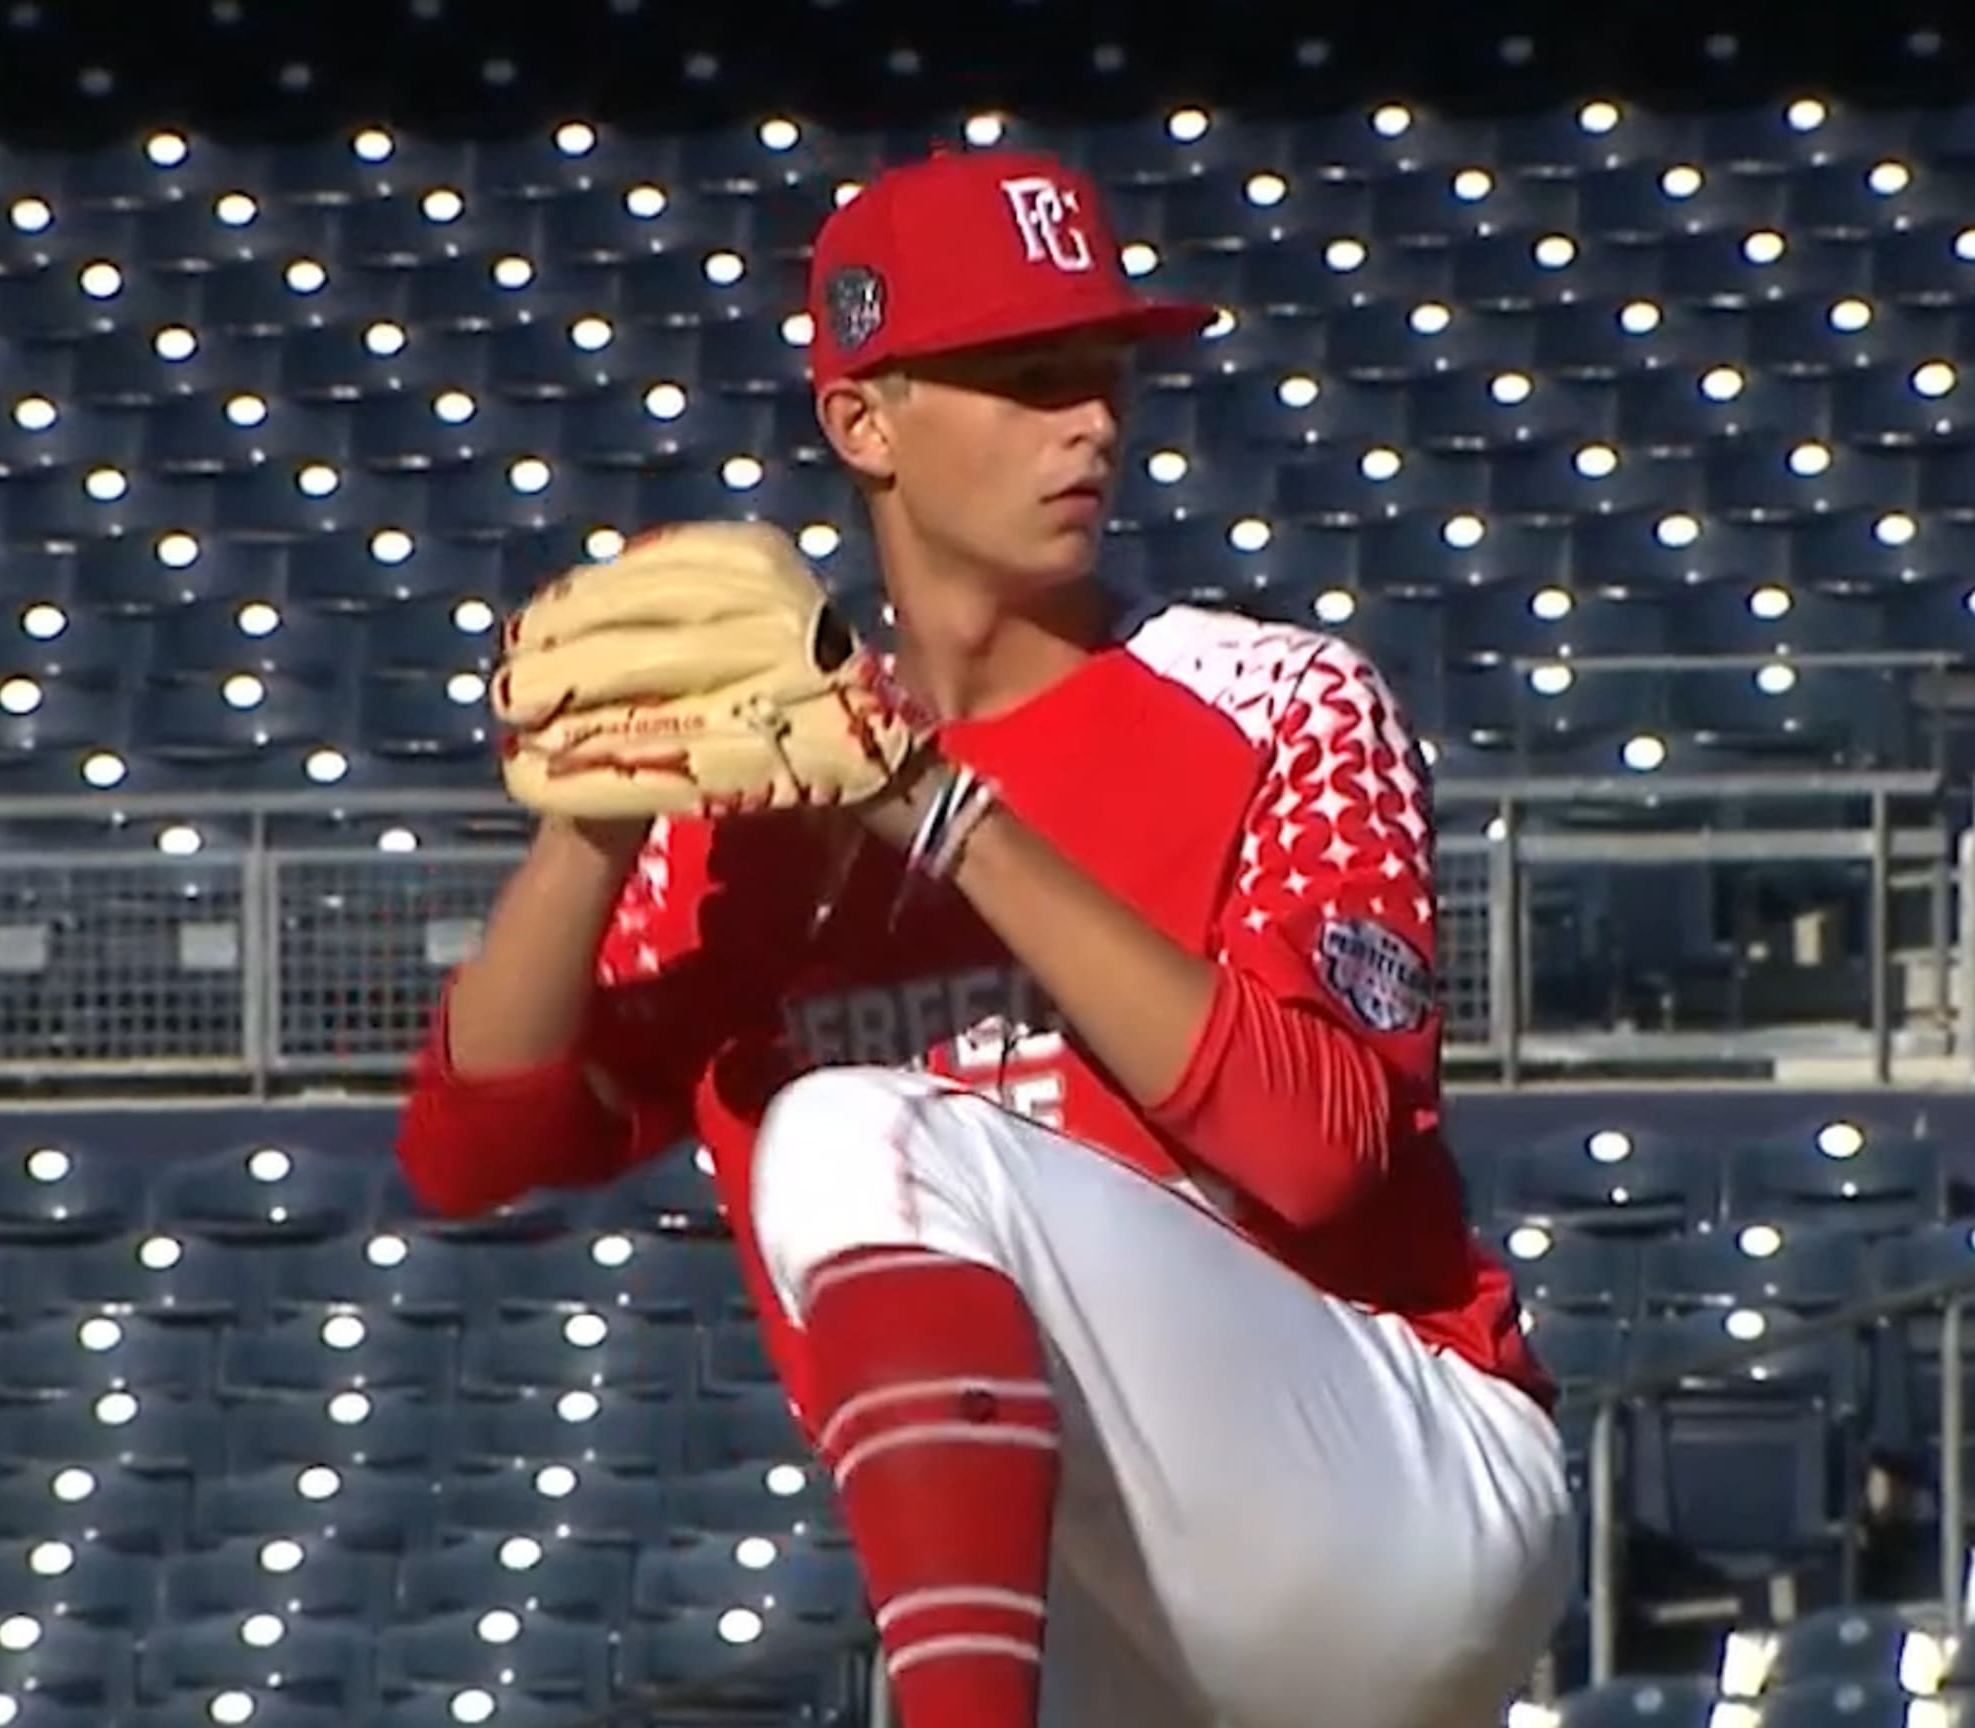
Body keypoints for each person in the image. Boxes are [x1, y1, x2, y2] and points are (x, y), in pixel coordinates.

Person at [396, 147, 1572, 1728]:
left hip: (1388, 1477)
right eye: (1025, 379)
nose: (1090, 420)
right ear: (863, 422)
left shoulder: (1277, 699)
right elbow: (467, 1151)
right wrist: (592, 828)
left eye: (1099, 374)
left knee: (849, 1130)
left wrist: (944, 814)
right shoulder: (746, 823)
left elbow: (1325, 1148)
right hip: (1102, 1610)